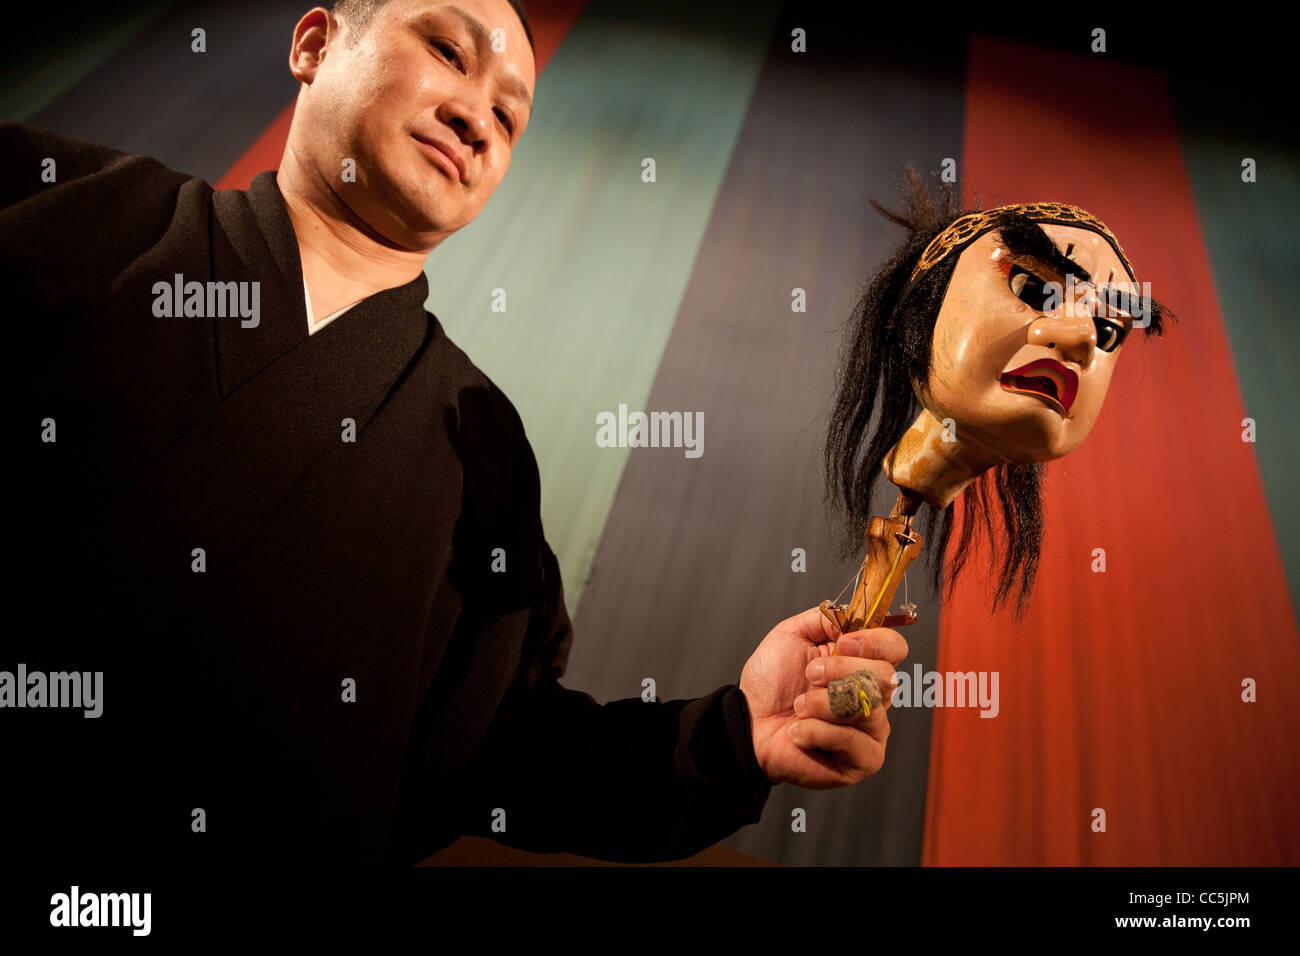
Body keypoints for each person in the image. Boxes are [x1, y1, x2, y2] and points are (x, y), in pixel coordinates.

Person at [1, 0, 906, 871]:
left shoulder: (483, 452)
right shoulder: (59, 210)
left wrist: (735, 737)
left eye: (510, 118)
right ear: (314, 45)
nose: (478, 118)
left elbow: (498, 756)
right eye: (448, 52)